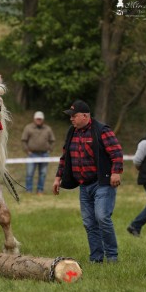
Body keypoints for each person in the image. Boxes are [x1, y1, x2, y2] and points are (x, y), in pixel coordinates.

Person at [52, 100, 123, 263]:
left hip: (102, 183)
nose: (71, 119)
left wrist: (116, 172)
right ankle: (96, 258)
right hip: (84, 185)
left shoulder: (101, 130)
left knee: (102, 217)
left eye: (74, 116)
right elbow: (65, 157)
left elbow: (117, 152)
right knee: (89, 222)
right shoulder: (72, 132)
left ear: (85, 116)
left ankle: (112, 256)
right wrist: (58, 177)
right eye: (70, 116)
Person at [21, 111, 55, 195]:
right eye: (37, 119)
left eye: (40, 119)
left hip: (44, 155)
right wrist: (27, 151)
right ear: (34, 119)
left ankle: (40, 190)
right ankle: (28, 190)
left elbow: (52, 140)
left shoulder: (48, 129)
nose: (39, 120)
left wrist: (49, 149)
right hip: (32, 155)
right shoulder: (28, 128)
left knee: (43, 174)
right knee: (29, 174)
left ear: (43, 120)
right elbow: (23, 140)